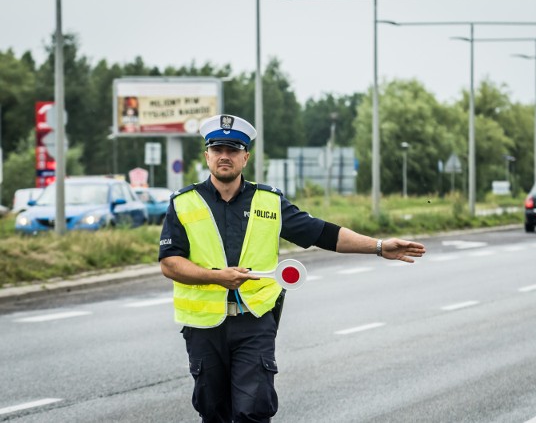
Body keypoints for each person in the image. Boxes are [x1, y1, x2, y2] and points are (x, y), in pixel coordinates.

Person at [158, 114, 426, 423]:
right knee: (212, 412)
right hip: (204, 328)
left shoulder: (268, 201)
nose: (224, 156)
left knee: (252, 410)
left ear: (246, 156)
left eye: (233, 150)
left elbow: (321, 232)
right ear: (207, 155)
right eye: (217, 149)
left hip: (254, 323)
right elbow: (170, 263)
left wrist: (378, 247)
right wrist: (217, 278)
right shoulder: (183, 202)